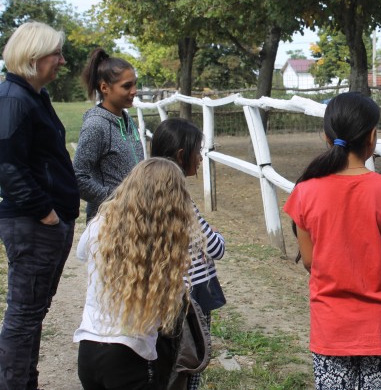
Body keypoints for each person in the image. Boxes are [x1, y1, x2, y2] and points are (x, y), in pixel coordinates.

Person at [283, 92, 381, 390]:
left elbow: (310, 261)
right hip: (379, 324)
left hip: (331, 325)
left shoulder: (305, 192)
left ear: (326, 137)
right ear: (373, 136)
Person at [0, 21, 80, 390]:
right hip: (35, 224)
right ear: (34, 58)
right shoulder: (14, 100)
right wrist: (44, 211)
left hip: (49, 222)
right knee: (23, 317)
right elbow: (6, 164)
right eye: (56, 54)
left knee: (33, 313)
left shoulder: (33, 97)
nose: (61, 61)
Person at [73, 158, 200, 389]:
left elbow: (82, 255)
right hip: (130, 354)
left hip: (89, 349)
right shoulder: (165, 243)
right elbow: (170, 309)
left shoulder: (100, 223)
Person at [151, 118, 226, 389]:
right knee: (190, 361)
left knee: (166, 365)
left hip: (163, 296)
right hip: (191, 299)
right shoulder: (181, 199)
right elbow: (216, 247)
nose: (201, 157)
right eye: (198, 151)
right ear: (182, 156)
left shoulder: (150, 192)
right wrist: (217, 235)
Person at [73, 47, 144, 222]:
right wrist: (116, 200)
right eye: (127, 86)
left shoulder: (127, 120)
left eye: (135, 83)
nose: (134, 90)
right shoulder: (96, 125)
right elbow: (78, 177)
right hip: (109, 223)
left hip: (134, 218)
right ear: (105, 87)